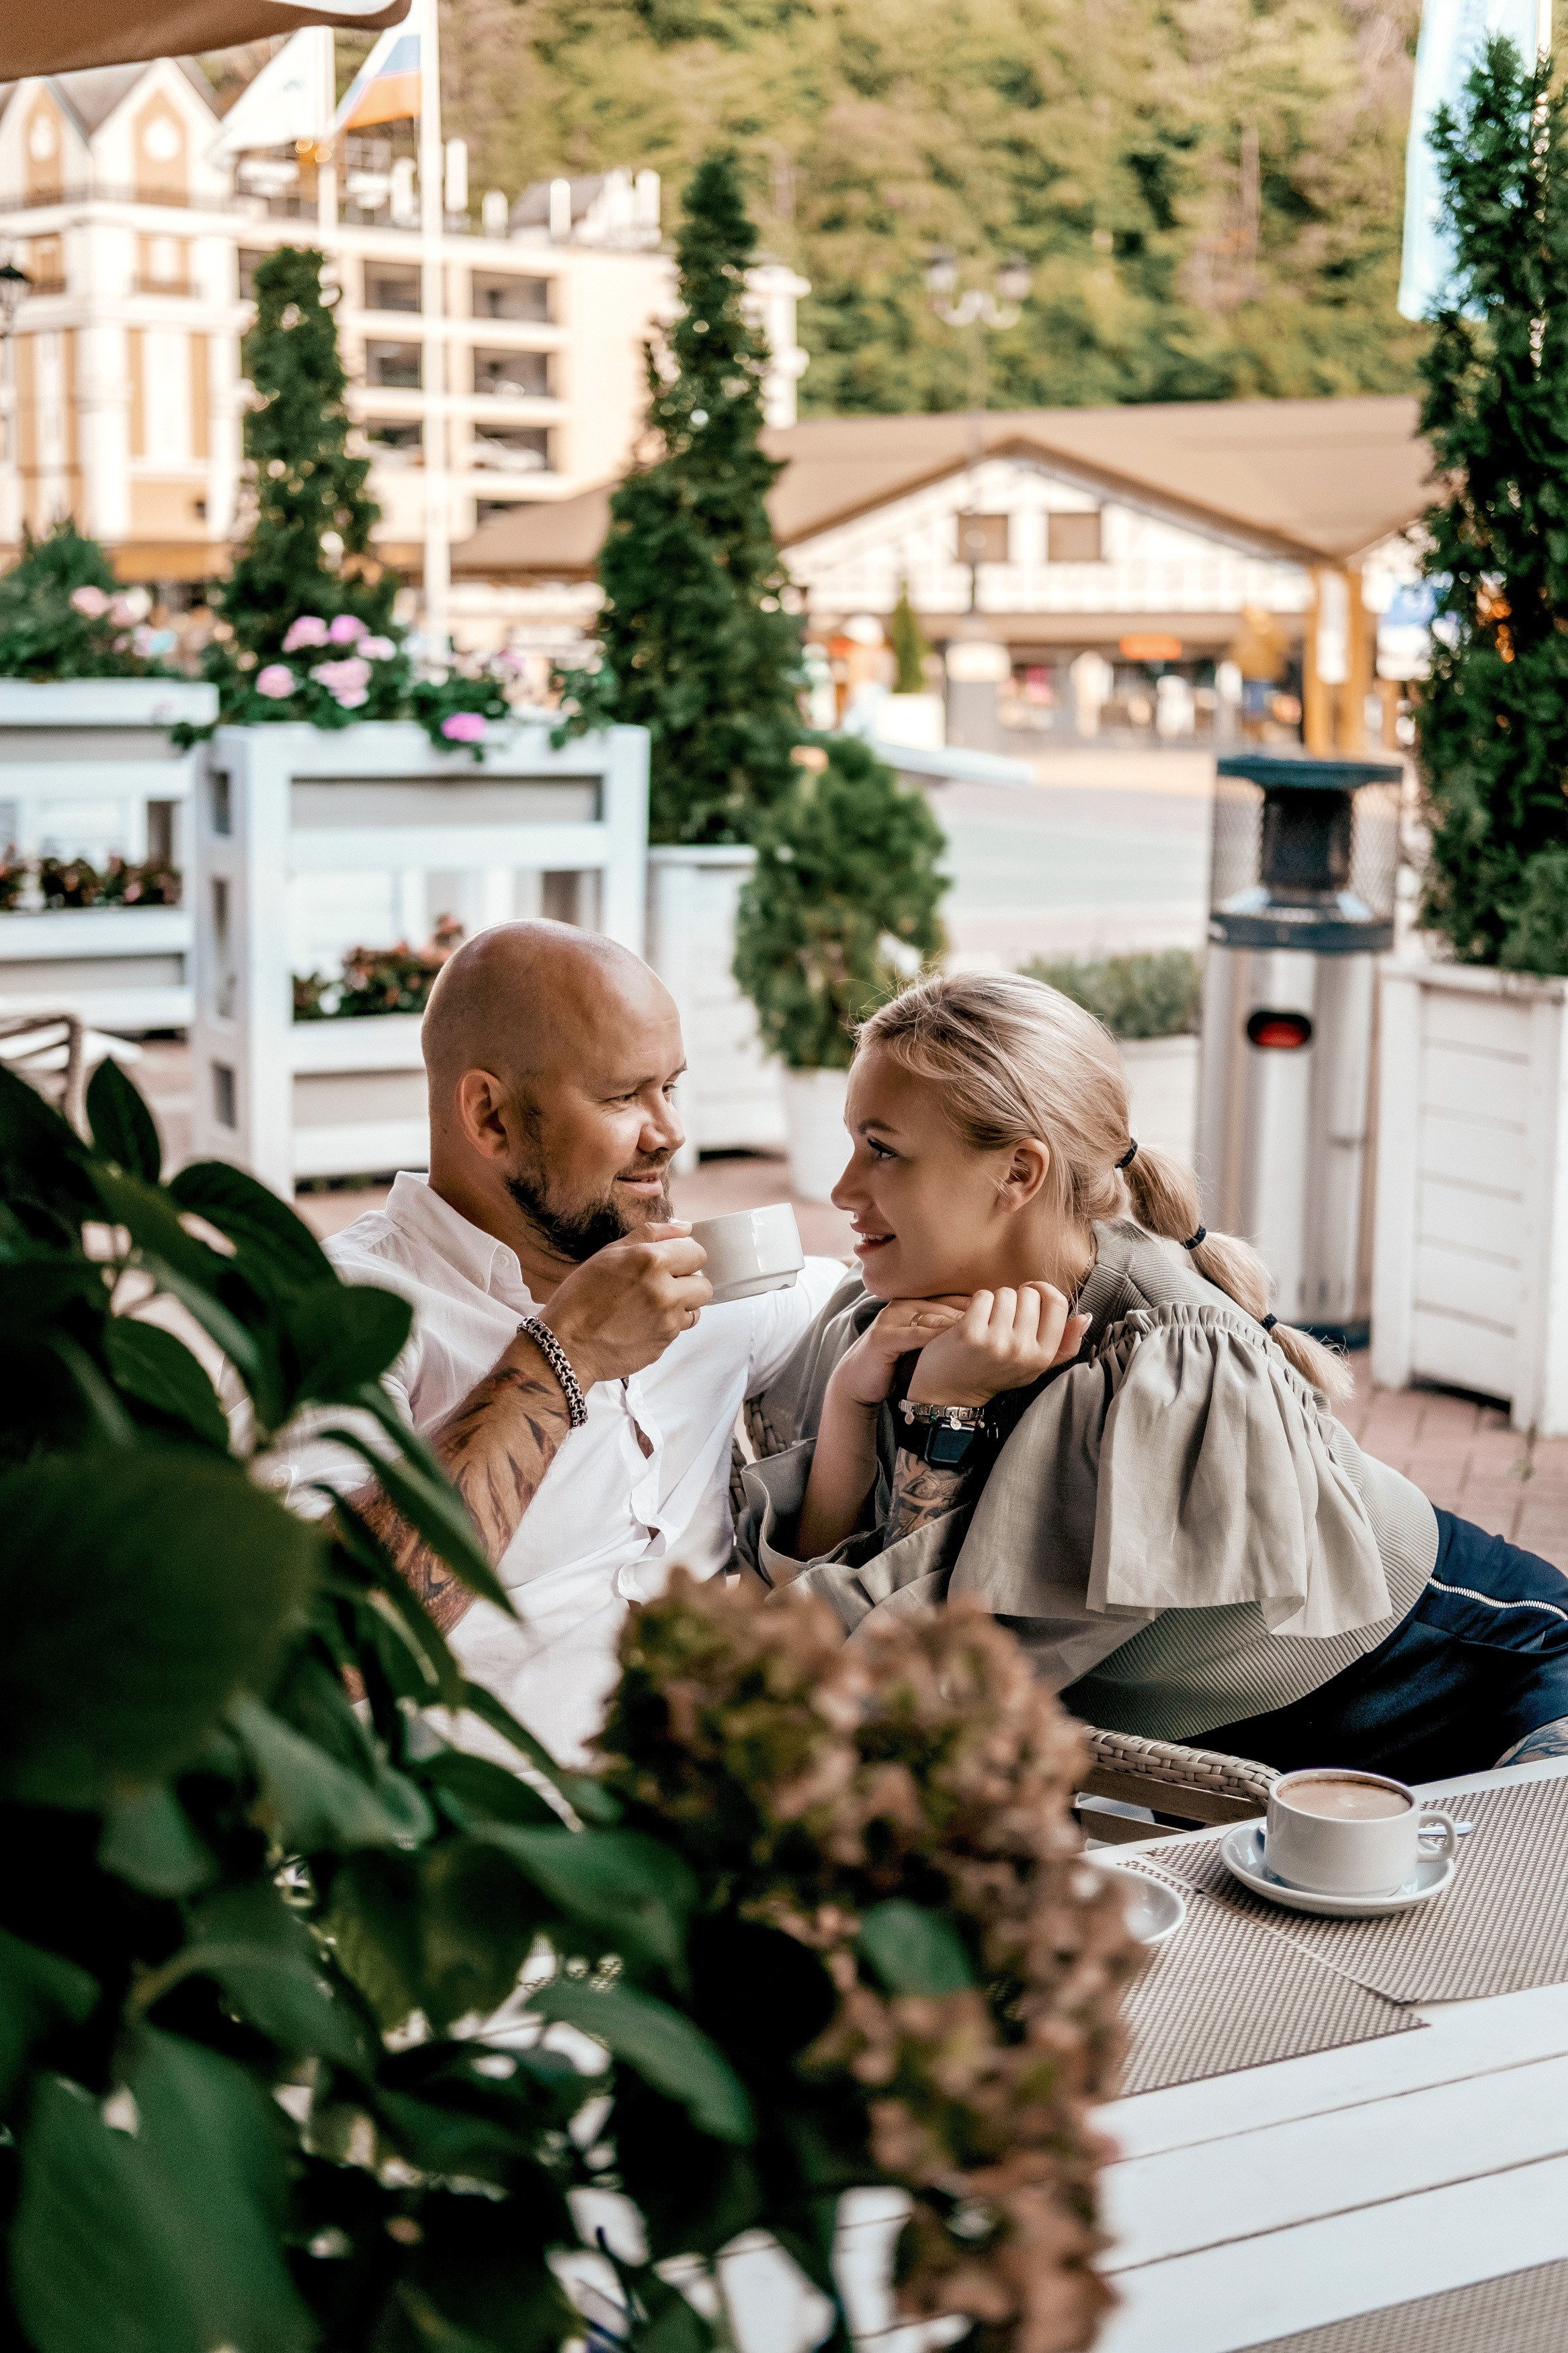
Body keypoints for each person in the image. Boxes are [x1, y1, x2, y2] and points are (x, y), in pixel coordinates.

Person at [735, 971, 1568, 1784]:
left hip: (1467, 1668)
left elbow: (916, 1678)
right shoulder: (891, 1307)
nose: (843, 1189)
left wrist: (943, 1414)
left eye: (882, 1151)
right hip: (1263, 1739)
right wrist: (853, 1398)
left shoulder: (1169, 1363)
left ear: (1018, 1173)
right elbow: (814, 1614)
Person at [288, 920, 845, 1764]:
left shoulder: (707, 1281)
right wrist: (564, 1354)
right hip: (471, 1851)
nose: (667, 1132)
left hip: (699, 1821)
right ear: (490, 1113)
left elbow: (910, 1279)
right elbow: (318, 1648)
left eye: (672, 1088)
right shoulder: (340, 1313)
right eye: (623, 1097)